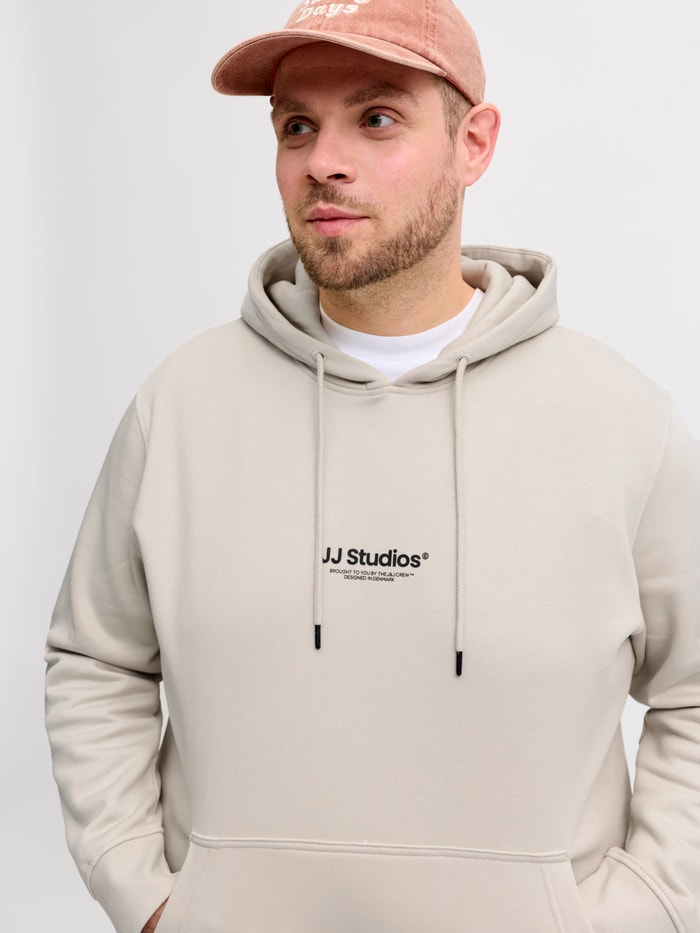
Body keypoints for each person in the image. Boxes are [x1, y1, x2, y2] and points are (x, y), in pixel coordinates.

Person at [45, 1, 700, 931]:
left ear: (474, 144)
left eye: (377, 117)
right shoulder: (180, 405)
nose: (324, 161)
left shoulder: (623, 421)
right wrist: (147, 895)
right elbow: (95, 660)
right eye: (296, 126)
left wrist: (644, 908)